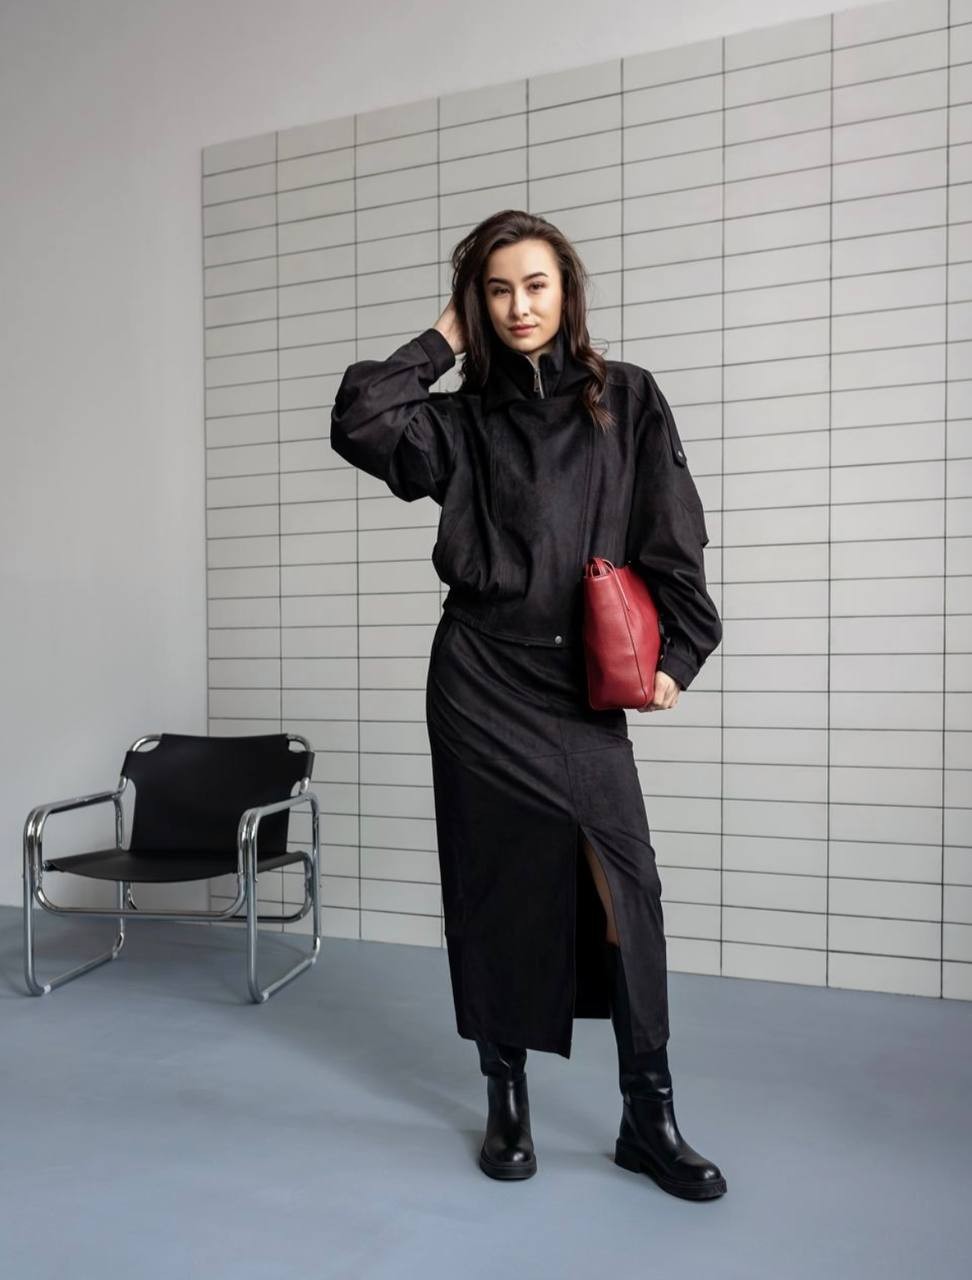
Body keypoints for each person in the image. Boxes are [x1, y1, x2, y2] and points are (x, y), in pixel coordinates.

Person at [330, 209, 726, 1200]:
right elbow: (361, 417)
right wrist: (444, 336)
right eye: (498, 289)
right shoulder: (457, 422)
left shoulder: (628, 398)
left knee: (627, 893)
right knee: (495, 887)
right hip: (479, 679)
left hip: (578, 686)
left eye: (536, 284)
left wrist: (679, 652)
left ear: (567, 290)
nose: (519, 306)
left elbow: (673, 533)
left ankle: (649, 1115)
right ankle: (505, 1098)